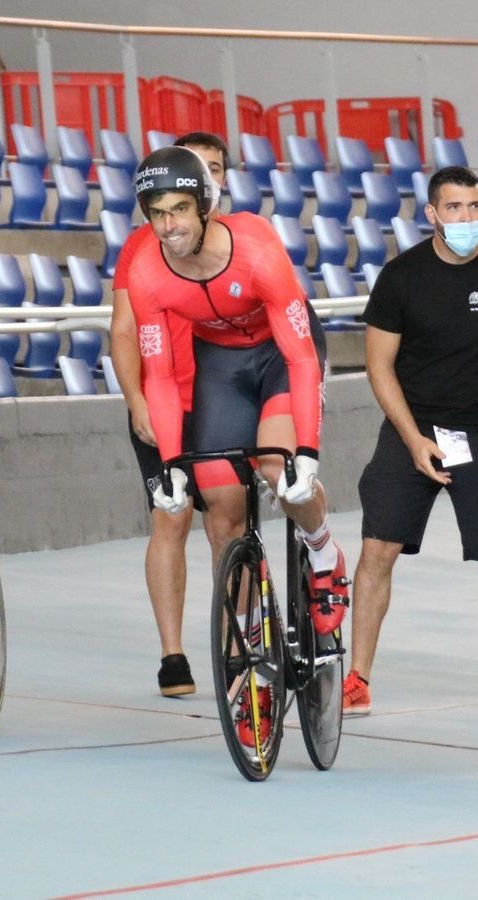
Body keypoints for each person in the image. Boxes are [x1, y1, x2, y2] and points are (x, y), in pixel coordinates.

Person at [124, 144, 345, 748]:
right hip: (220, 363)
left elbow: (301, 357)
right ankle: (255, 660)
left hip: (280, 355)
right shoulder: (146, 273)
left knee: (278, 468)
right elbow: (161, 375)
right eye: (155, 213)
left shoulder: (256, 247)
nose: (167, 226)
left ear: (206, 205)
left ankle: (323, 554)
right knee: (221, 506)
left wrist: (310, 453)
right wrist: (171, 462)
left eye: (178, 210)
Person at [346, 165, 478, 735]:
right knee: (376, 551)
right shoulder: (401, 277)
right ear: (432, 214)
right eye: (454, 208)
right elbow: (378, 365)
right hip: (414, 430)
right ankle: (356, 679)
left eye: (474, 207)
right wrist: (413, 439)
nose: (466, 218)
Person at [109, 130, 238, 698]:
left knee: (228, 523)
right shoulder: (141, 247)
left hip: (223, 399)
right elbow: (123, 329)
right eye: (194, 167)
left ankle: (237, 644)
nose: (204, 176)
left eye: (213, 168)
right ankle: (173, 654)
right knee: (173, 518)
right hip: (164, 403)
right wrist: (136, 400)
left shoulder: (242, 242)